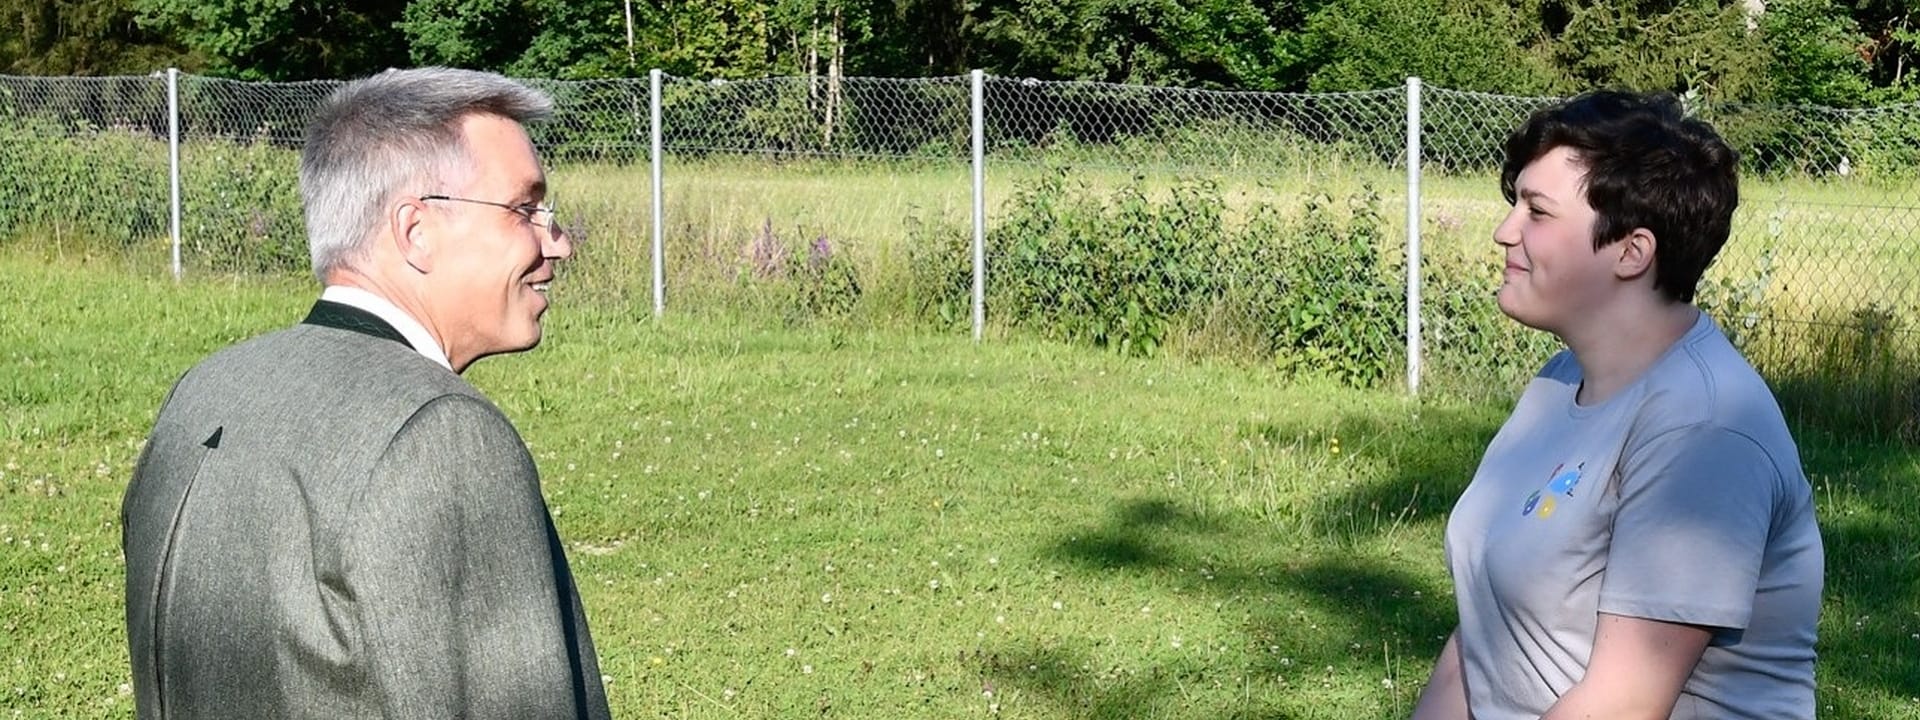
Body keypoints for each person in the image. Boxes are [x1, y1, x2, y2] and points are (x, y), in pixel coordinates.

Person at [120, 68, 610, 719]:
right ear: (416, 232)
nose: (559, 242)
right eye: (525, 209)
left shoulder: (208, 388)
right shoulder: (440, 431)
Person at [1411, 91, 1824, 720]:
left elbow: (1623, 704)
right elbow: (1484, 637)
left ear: (1632, 252)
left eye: (1538, 213)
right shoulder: (1560, 382)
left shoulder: (1704, 428)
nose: (1505, 231)